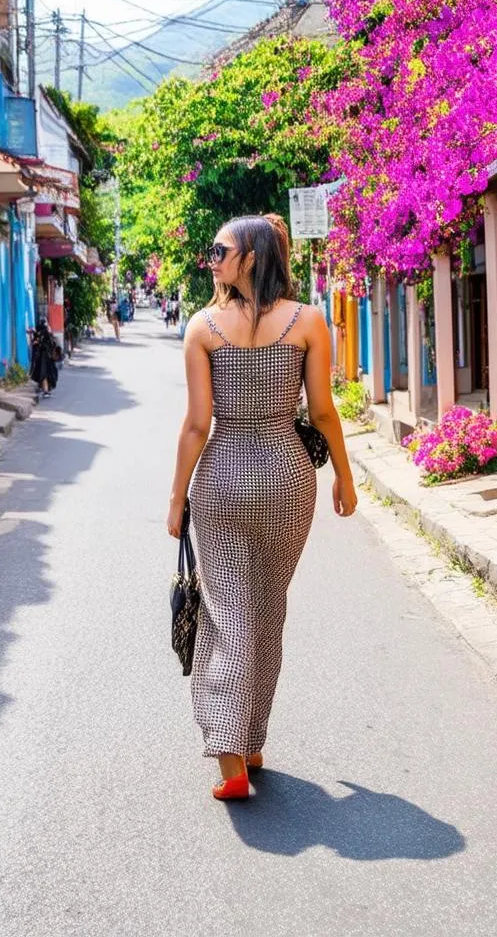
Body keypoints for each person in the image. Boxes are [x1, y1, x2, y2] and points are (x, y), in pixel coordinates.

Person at [167, 212, 358, 801]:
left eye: (220, 250)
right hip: (286, 476)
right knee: (268, 609)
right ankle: (251, 741)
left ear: (249, 257)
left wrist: (178, 498)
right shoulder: (308, 322)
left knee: (228, 615)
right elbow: (323, 413)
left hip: (222, 480)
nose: (212, 259)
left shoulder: (202, 327)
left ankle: (233, 760)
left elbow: (198, 424)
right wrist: (345, 481)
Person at [28, 319, 59, 398]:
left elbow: (37, 340)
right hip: (48, 357)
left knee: (43, 373)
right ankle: (45, 390)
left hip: (43, 357)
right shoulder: (48, 332)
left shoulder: (42, 333)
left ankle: (46, 391)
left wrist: (35, 339)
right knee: (47, 373)